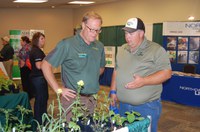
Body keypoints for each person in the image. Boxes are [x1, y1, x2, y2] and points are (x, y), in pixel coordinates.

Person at [41, 11, 106, 122]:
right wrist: (57, 89)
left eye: (98, 30)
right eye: (91, 29)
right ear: (83, 25)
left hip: (92, 99)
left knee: (89, 127)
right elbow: (45, 65)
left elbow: (101, 68)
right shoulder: (67, 44)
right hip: (72, 99)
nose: (95, 33)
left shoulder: (99, 46)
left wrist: (88, 77)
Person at [110, 17, 172, 132]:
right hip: (123, 105)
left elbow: (167, 73)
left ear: (141, 33)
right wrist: (113, 91)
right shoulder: (123, 49)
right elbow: (116, 70)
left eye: (131, 33)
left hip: (146, 107)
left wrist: (144, 81)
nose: (127, 37)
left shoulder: (156, 50)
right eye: (126, 33)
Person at [29, 32, 48, 124]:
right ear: (36, 40)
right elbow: (39, 66)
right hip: (38, 78)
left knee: (42, 99)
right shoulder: (36, 51)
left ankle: (42, 118)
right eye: (41, 39)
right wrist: (47, 61)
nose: (44, 40)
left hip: (38, 78)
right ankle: (39, 121)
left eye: (44, 38)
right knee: (41, 99)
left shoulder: (36, 50)